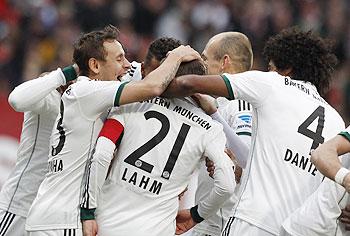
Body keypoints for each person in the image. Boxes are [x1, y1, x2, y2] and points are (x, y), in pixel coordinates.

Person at [164, 27, 344, 235]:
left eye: (271, 66)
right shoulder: (336, 121)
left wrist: (158, 77)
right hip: (297, 229)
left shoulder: (273, 84)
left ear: (286, 69)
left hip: (252, 221)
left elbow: (188, 83)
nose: (268, 72)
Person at [25, 25, 200, 236]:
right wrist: (177, 55)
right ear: (95, 66)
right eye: (119, 59)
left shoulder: (83, 93)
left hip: (47, 213)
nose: (127, 66)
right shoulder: (89, 91)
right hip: (65, 219)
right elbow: (152, 87)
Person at [80, 59, 236, 236]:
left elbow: (101, 153)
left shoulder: (131, 103)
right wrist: (196, 215)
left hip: (106, 225)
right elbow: (227, 185)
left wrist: (88, 212)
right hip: (158, 229)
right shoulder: (210, 128)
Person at [0, 65, 78, 236]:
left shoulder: (91, 103)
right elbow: (16, 100)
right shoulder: (49, 97)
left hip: (54, 217)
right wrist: (62, 75)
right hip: (21, 205)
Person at [191, 31, 253, 236]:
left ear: (224, 62)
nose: (201, 65)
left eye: (205, 58)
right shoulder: (219, 102)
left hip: (221, 222)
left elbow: (246, 159)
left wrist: (231, 167)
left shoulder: (241, 105)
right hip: (207, 219)